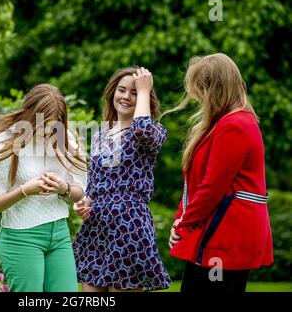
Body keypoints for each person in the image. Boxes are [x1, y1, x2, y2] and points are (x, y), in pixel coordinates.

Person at [166, 53, 274, 293]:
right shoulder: (227, 123)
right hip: (218, 232)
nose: (197, 97)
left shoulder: (234, 125)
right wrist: (180, 218)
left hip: (225, 235)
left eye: (200, 89)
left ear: (212, 89)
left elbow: (211, 187)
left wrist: (183, 226)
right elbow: (196, 185)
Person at [0, 84, 87, 292]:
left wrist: (63, 187)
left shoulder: (64, 140)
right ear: (30, 116)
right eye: (43, 126)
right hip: (21, 239)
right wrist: (24, 191)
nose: (48, 133)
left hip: (59, 235)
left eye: (53, 127)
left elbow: (79, 192)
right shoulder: (8, 142)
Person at [73, 67, 172, 292]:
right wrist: (85, 203)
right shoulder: (100, 135)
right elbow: (96, 186)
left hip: (128, 227)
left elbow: (142, 131)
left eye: (134, 92)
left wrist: (145, 89)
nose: (126, 96)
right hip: (96, 230)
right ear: (112, 93)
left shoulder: (154, 131)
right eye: (121, 90)